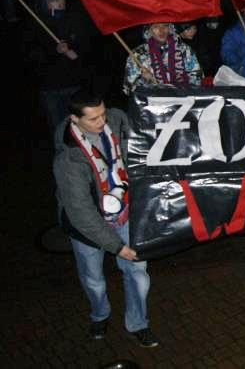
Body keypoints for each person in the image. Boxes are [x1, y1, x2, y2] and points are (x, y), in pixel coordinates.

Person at [53, 89, 158, 347]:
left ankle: (138, 323)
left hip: (124, 211)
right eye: (93, 118)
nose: (102, 121)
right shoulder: (69, 159)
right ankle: (100, 314)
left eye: (103, 114)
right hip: (87, 227)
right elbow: (81, 212)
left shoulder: (117, 119)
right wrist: (117, 247)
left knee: (137, 273)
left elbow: (141, 148)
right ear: (74, 119)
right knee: (93, 279)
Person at [26, 0, 93, 137]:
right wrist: (54, 51)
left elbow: (86, 45)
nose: (60, 3)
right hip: (50, 88)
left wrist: (75, 53)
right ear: (46, 3)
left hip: (73, 85)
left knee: (79, 128)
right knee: (59, 129)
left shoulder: (73, 20)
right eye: (54, 0)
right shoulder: (38, 24)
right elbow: (32, 55)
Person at [123, 22, 203, 94]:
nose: (161, 30)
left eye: (165, 25)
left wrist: (181, 90)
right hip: (151, 103)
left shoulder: (185, 50)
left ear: (170, 28)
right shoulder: (138, 54)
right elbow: (128, 88)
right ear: (149, 30)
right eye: (156, 27)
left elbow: (197, 78)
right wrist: (144, 80)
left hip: (183, 100)